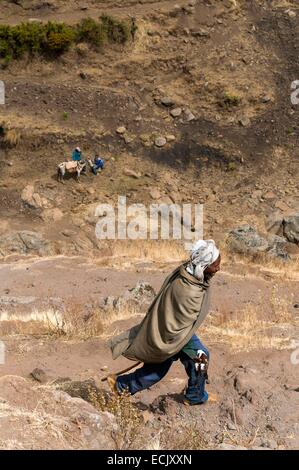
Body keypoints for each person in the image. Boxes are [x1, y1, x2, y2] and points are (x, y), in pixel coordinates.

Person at [108, 239, 221, 406]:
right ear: (203, 266)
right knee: (200, 357)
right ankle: (195, 396)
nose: (219, 268)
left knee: (156, 370)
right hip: (174, 335)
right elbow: (180, 322)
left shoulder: (186, 272)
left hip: (173, 333)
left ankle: (121, 385)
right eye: (215, 264)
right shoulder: (189, 290)